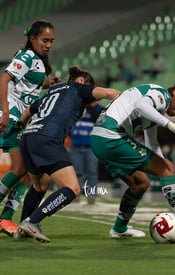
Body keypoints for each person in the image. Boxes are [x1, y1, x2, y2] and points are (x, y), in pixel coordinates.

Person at [90, 79, 175, 241]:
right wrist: (171, 126)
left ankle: (119, 228)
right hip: (112, 137)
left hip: (99, 139)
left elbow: (152, 144)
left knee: (140, 184)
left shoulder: (155, 109)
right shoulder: (160, 94)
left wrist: (165, 171)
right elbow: (141, 106)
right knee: (166, 169)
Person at [0, 20, 60, 236]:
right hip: (9, 116)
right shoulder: (27, 56)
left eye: (51, 41)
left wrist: (45, 85)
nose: (49, 45)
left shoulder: (37, 60)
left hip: (20, 117)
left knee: (27, 171)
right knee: (21, 168)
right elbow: (3, 80)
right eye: (45, 40)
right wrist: (5, 112)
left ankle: (5, 217)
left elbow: (23, 86)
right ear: (33, 39)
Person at [16, 66, 120, 242]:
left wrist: (20, 126)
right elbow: (110, 93)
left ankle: (22, 229)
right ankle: (32, 222)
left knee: (40, 186)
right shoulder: (78, 88)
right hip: (47, 139)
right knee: (72, 188)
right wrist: (133, 102)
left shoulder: (52, 91)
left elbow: (27, 112)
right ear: (81, 81)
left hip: (28, 138)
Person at [70, 101, 103, 204]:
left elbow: (97, 118)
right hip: (76, 144)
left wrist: (88, 105)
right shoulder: (78, 106)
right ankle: (76, 195)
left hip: (91, 145)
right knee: (77, 172)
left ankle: (91, 196)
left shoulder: (100, 109)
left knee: (92, 172)